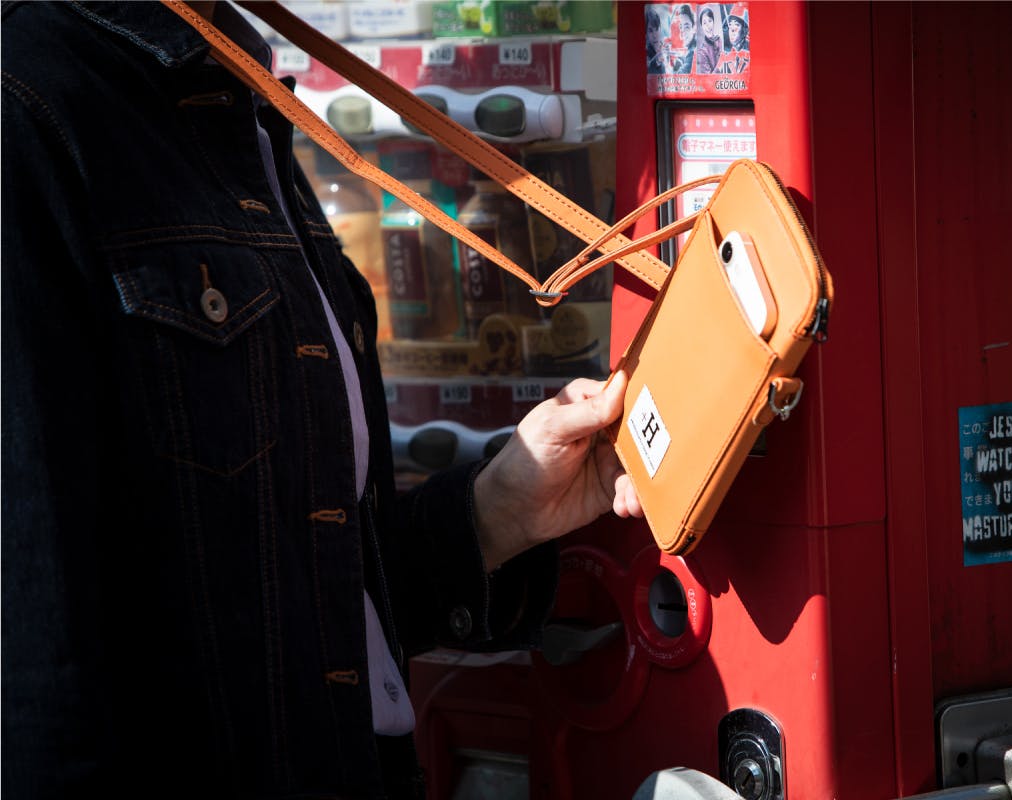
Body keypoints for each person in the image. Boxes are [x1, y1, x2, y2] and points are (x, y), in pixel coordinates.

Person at [0, 2, 641, 798]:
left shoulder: (229, 87)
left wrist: (497, 513)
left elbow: (296, 597)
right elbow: (32, 683)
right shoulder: (28, 108)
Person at [668, 4, 697, 75]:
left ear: (694, 28)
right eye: (680, 27)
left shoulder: (693, 52)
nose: (682, 32)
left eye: (686, 27)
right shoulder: (690, 49)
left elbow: (679, 76)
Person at [694, 4, 723, 75]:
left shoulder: (719, 40)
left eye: (710, 21)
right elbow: (707, 79)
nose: (708, 26)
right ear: (702, 26)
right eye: (704, 23)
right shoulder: (702, 52)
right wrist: (720, 65)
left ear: (713, 22)